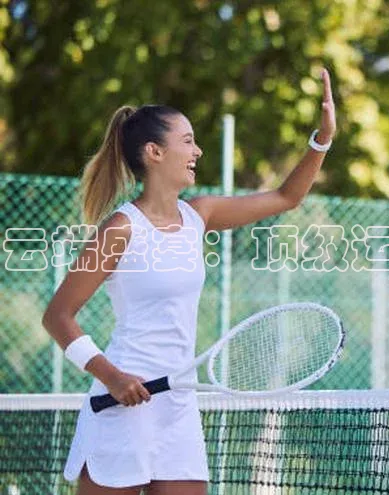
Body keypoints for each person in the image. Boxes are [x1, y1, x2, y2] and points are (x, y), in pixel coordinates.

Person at [41, 69, 336, 494]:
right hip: (121, 403)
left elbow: (286, 197)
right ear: (154, 152)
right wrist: (113, 377)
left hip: (178, 406)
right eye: (187, 141)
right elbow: (58, 317)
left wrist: (322, 139)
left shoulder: (200, 214)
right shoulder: (121, 229)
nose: (197, 150)